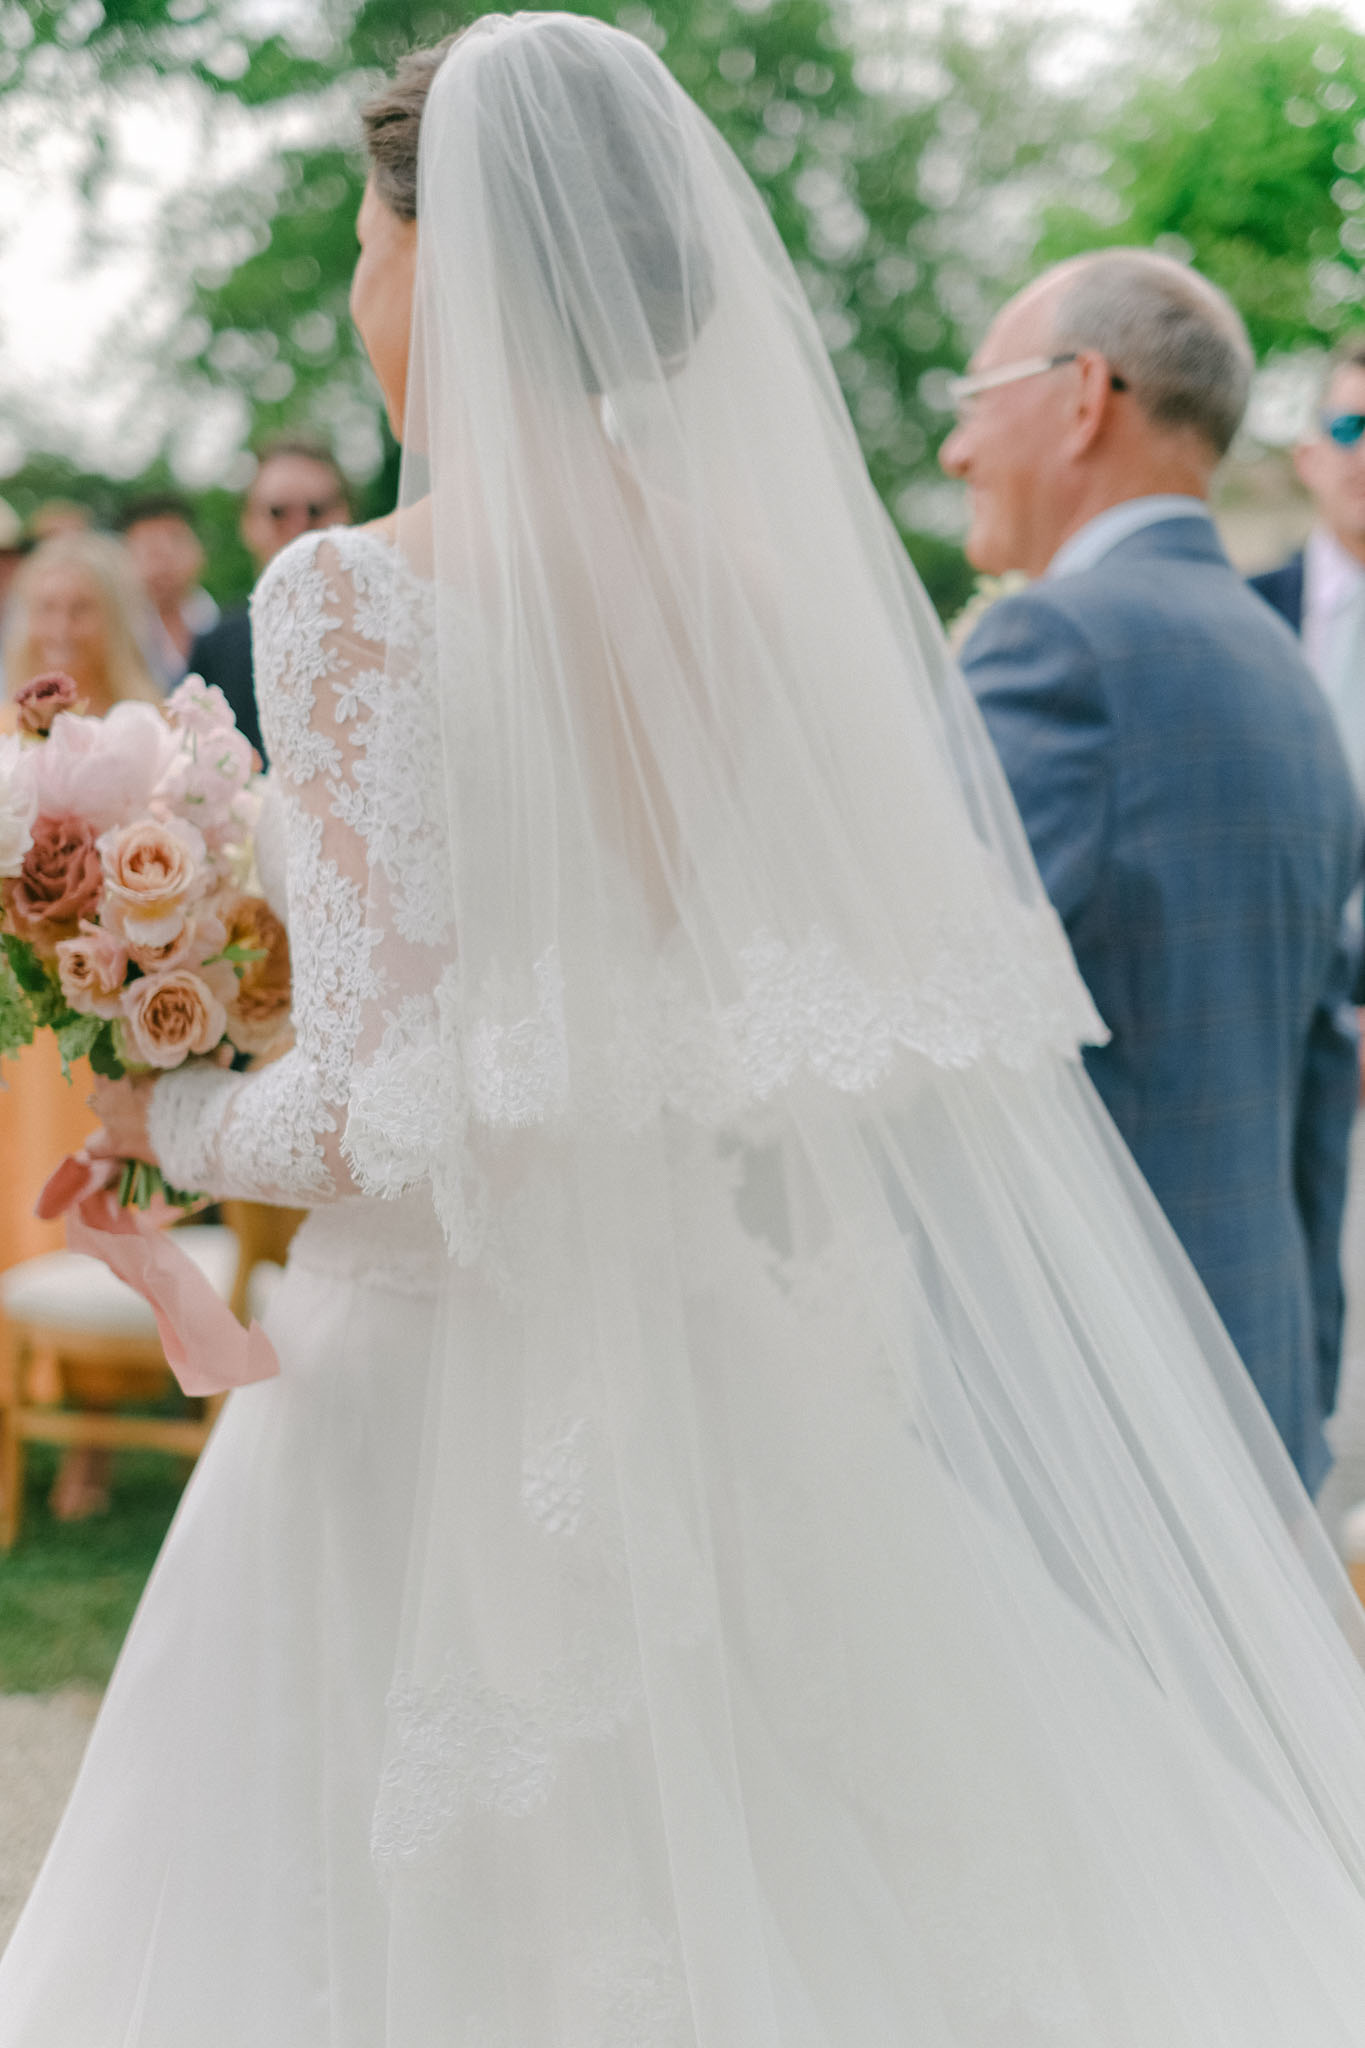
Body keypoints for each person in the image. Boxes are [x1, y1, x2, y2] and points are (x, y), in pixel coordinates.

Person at [8, 20, 1365, 2041]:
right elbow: (634, 1007)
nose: (367, 293)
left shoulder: (353, 594)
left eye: (370, 243)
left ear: (436, 253)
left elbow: (393, 1105)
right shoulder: (743, 574)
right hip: (722, 1348)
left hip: (441, 1388)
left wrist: (166, 1114)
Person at [941, 250, 1362, 1493]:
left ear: (1084, 395)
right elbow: (1315, 1084)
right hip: (1253, 1375)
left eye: (975, 400)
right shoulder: (1285, 663)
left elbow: (899, 1008)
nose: (959, 451)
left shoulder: (1054, 644)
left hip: (1077, 1421)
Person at [0, 531, 161, 1520]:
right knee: (15, 1210)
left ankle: (91, 1439)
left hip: (95, 1012)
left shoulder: (139, 731)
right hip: (19, 1010)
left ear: (111, 618)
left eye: (81, 609)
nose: (61, 627)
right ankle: (20, 1409)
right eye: (46, 609)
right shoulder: (6, 729)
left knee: (91, 1211)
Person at [1250, 338, 1365, 1542]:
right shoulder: (1245, 615)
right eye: (1349, 429)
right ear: (1305, 453)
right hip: (1281, 1037)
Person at [187, 437, 351, 760]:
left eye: (316, 510)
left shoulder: (383, 627)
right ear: (249, 524)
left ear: (345, 514)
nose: (299, 524)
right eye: (278, 512)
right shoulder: (214, 647)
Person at [117, 492, 218, 691]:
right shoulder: (116, 632)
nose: (163, 561)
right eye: (149, 549)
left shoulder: (217, 621)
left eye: (175, 542)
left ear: (200, 551)